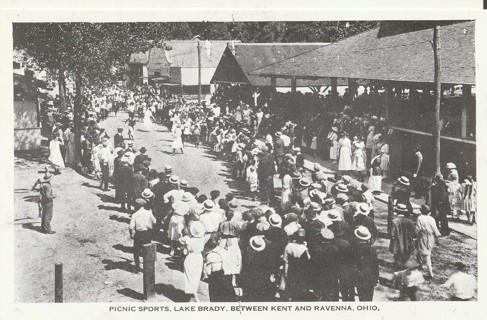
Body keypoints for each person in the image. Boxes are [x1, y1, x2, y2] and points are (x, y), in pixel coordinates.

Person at [128, 191, 156, 272]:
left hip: (138, 234)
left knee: (136, 251)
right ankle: (147, 268)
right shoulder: (149, 213)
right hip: (147, 233)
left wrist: (131, 235)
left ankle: (137, 268)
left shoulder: (135, 215)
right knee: (147, 251)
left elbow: (131, 227)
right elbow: (154, 222)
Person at [180, 221, 206, 302]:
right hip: (199, 257)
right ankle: (194, 292)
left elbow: (180, 240)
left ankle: (194, 294)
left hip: (191, 257)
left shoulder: (189, 240)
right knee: (196, 276)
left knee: (189, 276)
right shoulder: (203, 239)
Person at [203, 236, 236, 302]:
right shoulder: (224, 252)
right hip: (227, 276)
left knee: (216, 296)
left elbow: (208, 271)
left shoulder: (210, 255)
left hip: (216, 277)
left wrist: (206, 276)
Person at [352, 226, 379, 301]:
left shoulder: (354, 249)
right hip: (370, 277)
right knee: (369, 297)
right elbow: (375, 265)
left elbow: (353, 264)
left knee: (361, 296)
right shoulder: (372, 249)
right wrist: (376, 278)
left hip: (359, 277)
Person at [416, 204, 441, 278]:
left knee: (421, 254)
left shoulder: (419, 218)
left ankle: (424, 271)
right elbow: (435, 229)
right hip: (430, 237)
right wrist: (437, 238)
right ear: (429, 212)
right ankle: (427, 271)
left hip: (422, 237)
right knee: (427, 254)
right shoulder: (431, 219)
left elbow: (418, 228)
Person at [389, 204, 417, 270]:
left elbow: (391, 234)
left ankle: (398, 271)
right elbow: (415, 233)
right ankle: (404, 271)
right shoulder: (410, 222)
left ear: (397, 211)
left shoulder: (394, 221)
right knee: (406, 258)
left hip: (397, 243)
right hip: (408, 243)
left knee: (397, 259)